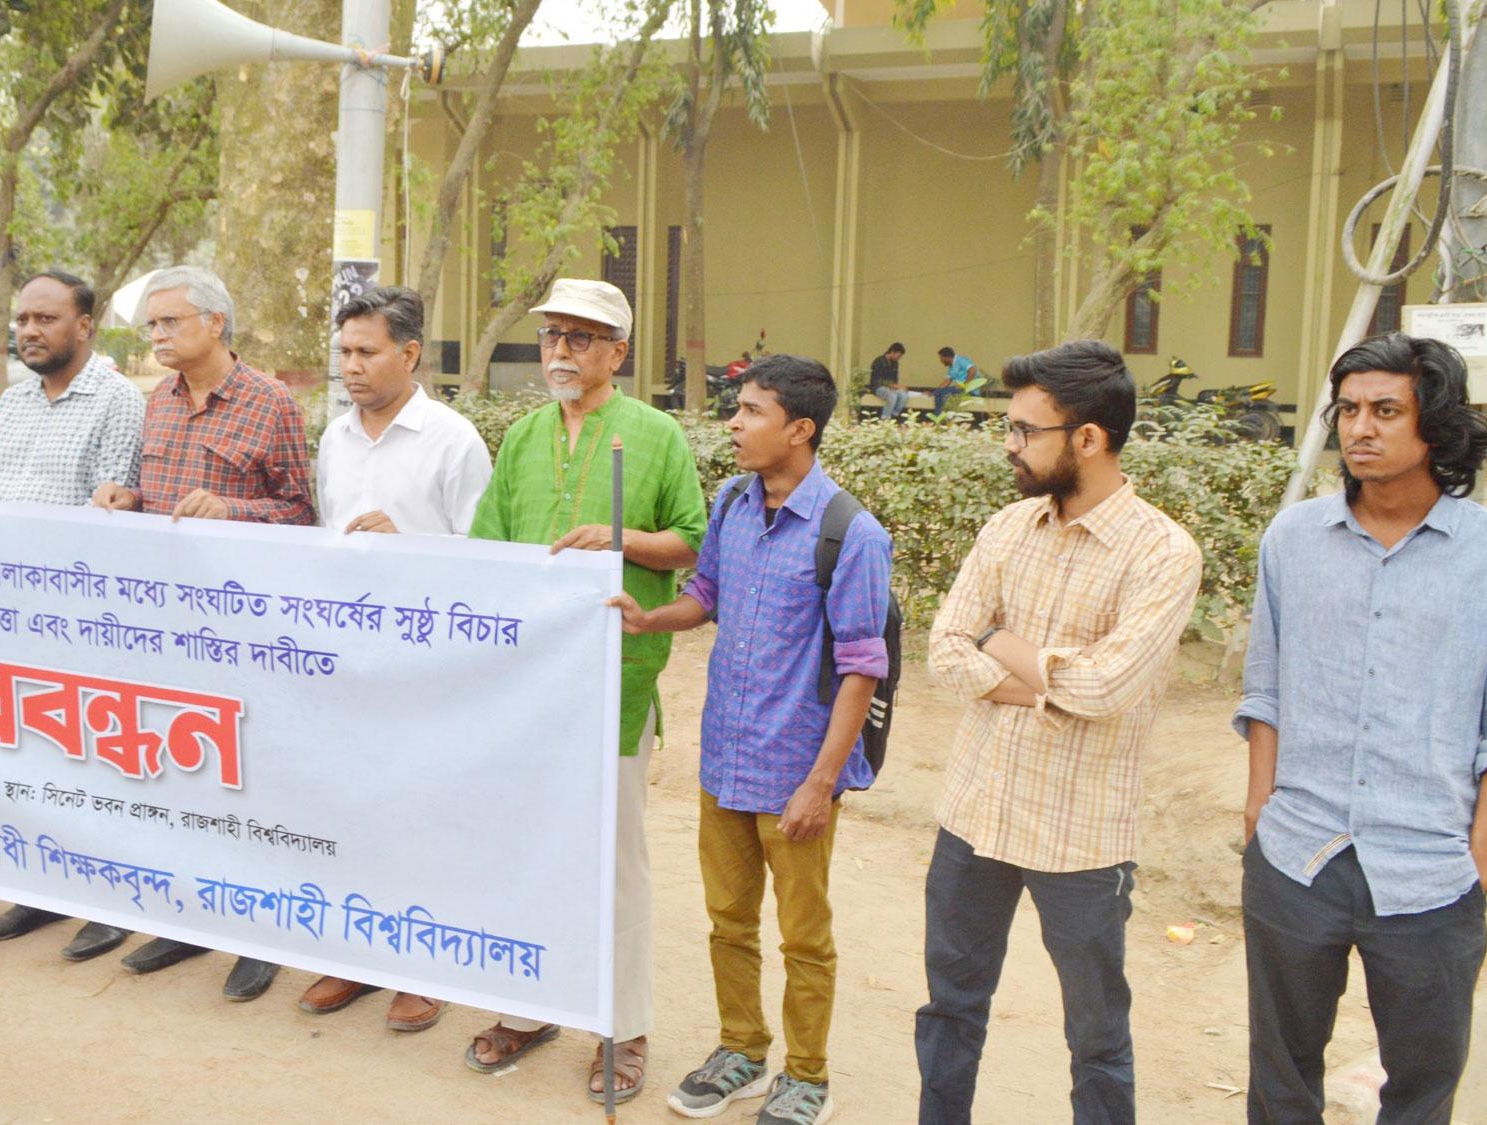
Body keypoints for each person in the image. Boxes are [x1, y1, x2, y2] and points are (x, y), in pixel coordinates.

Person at [1235, 333, 1487, 1125]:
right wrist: (1260, 811)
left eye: (1385, 410)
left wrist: (1476, 860)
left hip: (1432, 871)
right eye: (1348, 410)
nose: (1360, 428)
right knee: (1279, 1082)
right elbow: (1264, 689)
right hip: (1298, 855)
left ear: (1434, 423)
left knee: (1421, 1091)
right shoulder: (1292, 541)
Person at [918, 340, 1201, 1125]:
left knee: (1097, 1033)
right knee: (950, 1008)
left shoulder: (1163, 552)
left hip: (1083, 835)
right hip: (975, 814)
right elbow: (945, 645)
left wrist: (998, 644)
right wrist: (1044, 680)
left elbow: (1109, 686)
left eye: (1024, 430)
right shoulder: (1009, 527)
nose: (1008, 444)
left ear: (1088, 437)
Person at [608, 354, 893, 1125]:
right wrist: (649, 616)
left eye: (752, 411)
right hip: (724, 759)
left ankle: (806, 1074)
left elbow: (864, 666)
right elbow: (706, 595)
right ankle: (741, 1049)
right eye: (736, 409)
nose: (734, 424)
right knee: (728, 922)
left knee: (805, 936)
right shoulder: (733, 503)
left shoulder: (851, 533)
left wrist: (820, 782)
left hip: (795, 770)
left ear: (800, 429)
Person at [462, 278, 708, 1104]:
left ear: (618, 352)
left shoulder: (655, 434)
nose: (560, 350)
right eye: (553, 335)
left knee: (615, 863)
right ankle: (531, 1008)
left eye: (580, 337)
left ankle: (623, 1025)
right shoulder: (524, 436)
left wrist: (622, 536)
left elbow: (695, 545)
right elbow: (488, 550)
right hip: (530, 689)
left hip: (615, 682)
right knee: (527, 849)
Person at [94, 264, 313, 999]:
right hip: (164, 626)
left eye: (169, 322)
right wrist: (129, 499)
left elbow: (301, 513)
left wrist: (234, 510)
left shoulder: (270, 402)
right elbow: (152, 497)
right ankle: (190, 920)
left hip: (241, 630)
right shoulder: (155, 401)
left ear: (216, 323)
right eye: (150, 324)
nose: (155, 335)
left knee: (249, 781)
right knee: (180, 770)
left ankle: (260, 934)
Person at [0, 270, 142, 963]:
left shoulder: (118, 402)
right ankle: (43, 887)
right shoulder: (13, 404)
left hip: (82, 618)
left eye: (46, 319)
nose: (29, 330)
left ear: (85, 326)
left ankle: (106, 902)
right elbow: (14, 493)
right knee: (35, 757)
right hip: (12, 616)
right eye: (22, 318)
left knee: (94, 762)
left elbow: (111, 513)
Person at [300, 285, 490, 1032]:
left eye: (366, 351)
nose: (350, 366)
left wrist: (410, 547)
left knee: (424, 814)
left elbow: (487, 562)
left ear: (409, 353)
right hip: (351, 659)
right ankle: (356, 955)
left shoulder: (453, 440)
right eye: (344, 351)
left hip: (431, 664)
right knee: (355, 805)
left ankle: (425, 967)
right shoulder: (333, 440)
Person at [932, 347, 976, 415]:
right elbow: (947, 382)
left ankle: (942, 417)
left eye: (941, 358)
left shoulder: (960, 360)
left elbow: (972, 369)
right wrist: (934, 392)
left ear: (947, 357)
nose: (941, 361)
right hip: (959, 389)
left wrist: (966, 385)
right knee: (938, 393)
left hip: (969, 389)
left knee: (944, 394)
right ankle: (939, 417)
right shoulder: (951, 367)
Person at [869, 342, 908, 420]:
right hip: (878, 387)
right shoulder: (879, 361)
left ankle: (894, 415)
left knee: (904, 395)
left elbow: (895, 379)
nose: (899, 358)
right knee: (892, 396)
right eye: (898, 356)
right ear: (892, 352)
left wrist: (898, 387)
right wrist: (892, 385)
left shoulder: (895, 363)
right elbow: (877, 380)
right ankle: (885, 418)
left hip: (891, 388)